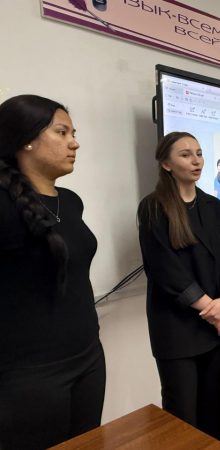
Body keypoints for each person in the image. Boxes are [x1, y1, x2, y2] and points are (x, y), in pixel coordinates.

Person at [0, 95, 105, 449]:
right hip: (28, 376)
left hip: (88, 357)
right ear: (26, 140)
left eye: (74, 133)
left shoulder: (70, 202)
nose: (74, 143)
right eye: (62, 132)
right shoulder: (3, 204)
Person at [138, 132, 220, 441]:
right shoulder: (153, 207)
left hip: (217, 323)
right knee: (182, 417)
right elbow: (166, 271)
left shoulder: (213, 206)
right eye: (185, 155)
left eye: (199, 153)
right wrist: (213, 310)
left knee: (216, 410)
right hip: (178, 329)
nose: (196, 161)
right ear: (166, 164)